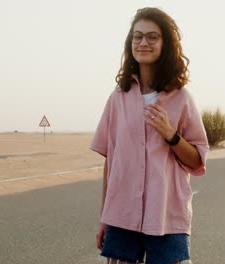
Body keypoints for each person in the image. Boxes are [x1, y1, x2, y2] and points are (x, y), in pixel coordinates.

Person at [90, 7, 209, 264]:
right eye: (138, 36)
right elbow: (111, 163)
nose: (143, 42)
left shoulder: (181, 98)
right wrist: (104, 218)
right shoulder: (117, 98)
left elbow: (197, 160)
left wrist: (171, 135)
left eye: (152, 37)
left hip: (166, 215)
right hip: (122, 215)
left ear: (165, 44)